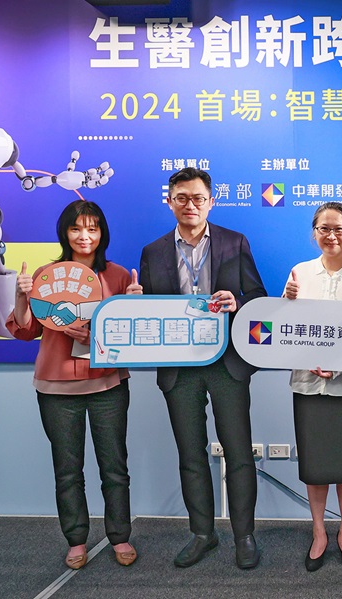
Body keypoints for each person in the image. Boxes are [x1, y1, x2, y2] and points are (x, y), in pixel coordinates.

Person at [139, 167, 267, 569]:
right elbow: (148, 310)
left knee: (239, 452)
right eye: (181, 198)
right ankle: (202, 533)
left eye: (197, 198)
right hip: (179, 367)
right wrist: (134, 300)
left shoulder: (234, 241)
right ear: (170, 202)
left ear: (211, 201)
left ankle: (244, 536)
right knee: (190, 453)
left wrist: (238, 303)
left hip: (226, 363)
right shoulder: (153, 251)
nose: (190, 205)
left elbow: (258, 296)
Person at [7, 200, 142, 569]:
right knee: (67, 469)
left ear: (102, 233)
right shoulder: (45, 275)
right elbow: (25, 330)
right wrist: (21, 296)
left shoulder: (118, 276)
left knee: (114, 466)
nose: (85, 236)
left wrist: (133, 306)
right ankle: (76, 539)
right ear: (65, 233)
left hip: (107, 385)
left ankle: (120, 536)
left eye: (92, 229)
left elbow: (129, 333)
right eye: (76, 228)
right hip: (57, 387)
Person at [282, 202, 342, 572]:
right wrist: (286, 302)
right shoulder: (299, 273)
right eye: (324, 228)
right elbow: (287, 331)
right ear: (314, 233)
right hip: (308, 385)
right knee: (315, 464)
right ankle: (319, 531)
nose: (331, 235)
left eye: (339, 229)